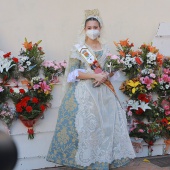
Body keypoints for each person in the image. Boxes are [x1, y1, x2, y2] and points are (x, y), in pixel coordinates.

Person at [46, 9, 136, 169]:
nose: (92, 30)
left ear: (100, 28)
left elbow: (109, 68)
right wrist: (94, 76)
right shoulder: (79, 49)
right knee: (89, 128)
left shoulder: (106, 48)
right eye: (89, 27)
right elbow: (73, 73)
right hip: (85, 94)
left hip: (104, 93)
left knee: (105, 128)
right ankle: (87, 162)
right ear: (84, 29)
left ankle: (102, 161)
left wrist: (106, 75)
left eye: (95, 27)